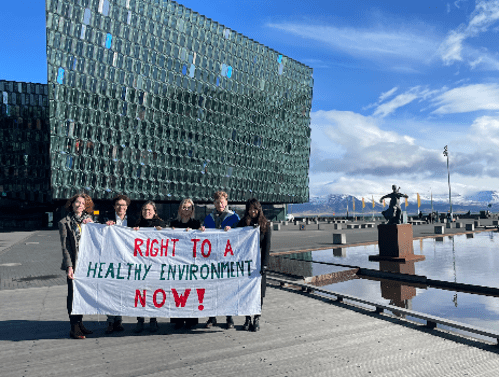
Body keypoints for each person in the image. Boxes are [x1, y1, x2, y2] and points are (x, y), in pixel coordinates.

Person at [58, 193, 95, 339]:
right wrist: (69, 266)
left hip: (86, 264)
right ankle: (74, 327)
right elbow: (65, 247)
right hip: (74, 264)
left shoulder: (89, 221)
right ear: (72, 204)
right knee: (73, 295)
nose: (80, 205)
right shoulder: (64, 222)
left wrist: (92, 225)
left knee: (81, 294)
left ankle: (80, 324)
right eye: (77, 202)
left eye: (83, 203)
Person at [203, 191, 240, 329]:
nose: (220, 204)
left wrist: (234, 229)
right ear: (214, 203)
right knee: (212, 288)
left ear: (226, 202)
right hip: (212, 258)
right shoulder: (209, 218)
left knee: (227, 288)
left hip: (227, 258)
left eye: (222, 201)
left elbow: (241, 233)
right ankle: (212, 317)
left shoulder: (233, 217)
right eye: (218, 202)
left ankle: (229, 317)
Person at [169, 198, 205, 329]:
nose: (186, 210)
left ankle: (191, 319)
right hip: (177, 263)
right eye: (184, 207)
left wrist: (201, 231)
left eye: (189, 207)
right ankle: (178, 319)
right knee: (177, 291)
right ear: (180, 209)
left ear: (192, 210)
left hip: (191, 262)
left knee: (191, 291)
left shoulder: (196, 223)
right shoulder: (174, 223)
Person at [98, 194, 131, 334]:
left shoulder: (133, 220)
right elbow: (96, 231)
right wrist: (104, 227)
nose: (121, 207)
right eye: (118, 205)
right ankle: (110, 321)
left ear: (127, 207)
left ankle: (119, 320)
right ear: (114, 207)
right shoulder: (106, 219)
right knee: (111, 291)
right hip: (111, 259)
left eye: (123, 205)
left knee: (121, 292)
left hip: (127, 260)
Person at [237, 198, 271, 332]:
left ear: (259, 209)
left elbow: (267, 246)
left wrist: (265, 265)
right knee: (246, 292)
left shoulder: (265, 225)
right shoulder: (242, 223)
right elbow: (235, 236)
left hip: (259, 263)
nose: (252, 211)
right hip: (247, 263)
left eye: (255, 208)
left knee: (259, 294)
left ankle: (257, 318)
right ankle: (247, 318)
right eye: (250, 209)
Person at [133, 201, 167, 333]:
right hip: (140, 265)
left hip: (155, 265)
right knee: (140, 293)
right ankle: (140, 320)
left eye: (149, 210)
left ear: (154, 212)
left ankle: (153, 319)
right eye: (144, 210)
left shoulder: (161, 224)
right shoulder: (137, 224)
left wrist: (162, 231)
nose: (147, 212)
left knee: (153, 292)